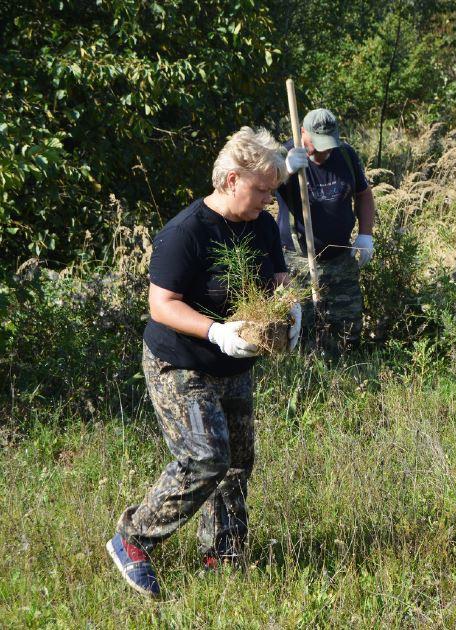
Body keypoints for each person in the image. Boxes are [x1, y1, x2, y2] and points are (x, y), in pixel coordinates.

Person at [106, 127, 302, 598]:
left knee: (236, 463)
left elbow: (275, 277)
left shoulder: (259, 225)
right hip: (182, 362)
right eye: (262, 189)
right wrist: (216, 331)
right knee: (205, 457)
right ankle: (133, 538)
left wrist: (289, 309)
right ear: (231, 180)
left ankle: (223, 556)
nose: (269, 199)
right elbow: (162, 305)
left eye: (273, 190)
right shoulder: (186, 231)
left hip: (234, 364)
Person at [277, 107, 376, 356]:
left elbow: (363, 195)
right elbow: (256, 187)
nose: (323, 151)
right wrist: (283, 171)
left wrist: (366, 234)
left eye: (328, 145)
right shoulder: (283, 154)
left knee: (348, 325)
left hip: (340, 257)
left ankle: (348, 373)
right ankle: (310, 379)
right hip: (299, 261)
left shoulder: (346, 155)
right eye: (316, 145)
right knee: (302, 329)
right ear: (302, 133)